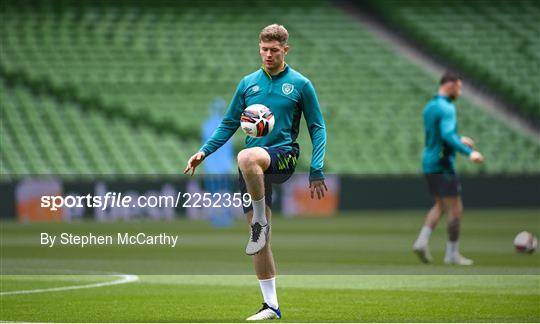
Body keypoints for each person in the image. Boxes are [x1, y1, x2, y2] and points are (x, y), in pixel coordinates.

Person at [184, 24, 327, 320]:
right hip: (253, 170)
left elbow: (317, 127)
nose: (268, 54)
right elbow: (227, 124)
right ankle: (271, 305)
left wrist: (316, 167)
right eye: (264, 49)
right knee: (259, 240)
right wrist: (204, 151)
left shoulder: (301, 84)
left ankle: (260, 219)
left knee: (245, 156)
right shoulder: (248, 83)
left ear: (285, 50)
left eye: (274, 50)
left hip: (283, 156)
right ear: (259, 48)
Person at [413, 72, 484, 266]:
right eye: (459, 87)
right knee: (455, 208)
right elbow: (446, 135)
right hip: (443, 165)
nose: (460, 92)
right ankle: (452, 253)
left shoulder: (430, 106)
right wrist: (469, 153)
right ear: (450, 85)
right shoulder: (447, 108)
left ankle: (421, 241)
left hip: (428, 162)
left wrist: (459, 139)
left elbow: (437, 136)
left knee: (441, 205)